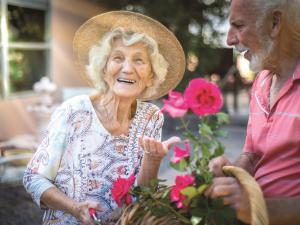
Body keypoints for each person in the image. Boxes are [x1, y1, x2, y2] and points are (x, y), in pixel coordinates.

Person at [23, 11, 185, 225]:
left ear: (151, 76)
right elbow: (33, 178)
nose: (127, 69)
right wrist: (75, 208)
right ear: (104, 69)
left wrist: (153, 160)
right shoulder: (73, 112)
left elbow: (143, 198)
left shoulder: (151, 117)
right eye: (118, 58)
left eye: (139, 60)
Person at [205, 0, 300, 225]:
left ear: (275, 23)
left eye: (238, 26)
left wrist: (257, 209)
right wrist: (230, 175)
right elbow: (252, 154)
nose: (229, 39)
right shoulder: (262, 81)